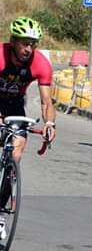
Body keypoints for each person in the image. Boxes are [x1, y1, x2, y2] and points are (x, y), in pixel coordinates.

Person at [0, 17, 56, 163]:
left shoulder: (41, 64)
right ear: (12, 41)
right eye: (25, 44)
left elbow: (46, 102)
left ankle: (8, 179)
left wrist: (50, 123)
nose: (28, 50)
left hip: (15, 104)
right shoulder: (1, 56)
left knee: (16, 152)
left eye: (33, 45)